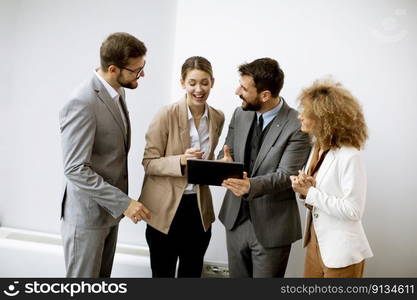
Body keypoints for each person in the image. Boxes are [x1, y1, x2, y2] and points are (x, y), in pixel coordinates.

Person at [59, 32, 151, 278]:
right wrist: (124, 203)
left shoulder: (117, 91)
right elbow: (75, 169)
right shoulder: (82, 101)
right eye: (136, 70)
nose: (141, 75)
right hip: (87, 218)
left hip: (109, 214)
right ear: (113, 69)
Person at [219, 58, 311, 277]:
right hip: (235, 220)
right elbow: (226, 152)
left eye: (244, 88)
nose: (236, 91)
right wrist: (222, 163)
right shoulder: (240, 113)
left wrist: (249, 185)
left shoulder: (298, 125)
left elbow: (286, 176)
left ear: (265, 95)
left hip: (272, 227)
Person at [139, 56, 225, 277]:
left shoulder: (217, 117)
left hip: (198, 210)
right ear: (182, 83)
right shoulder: (165, 114)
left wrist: (221, 167)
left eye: (204, 82)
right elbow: (149, 163)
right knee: (163, 275)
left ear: (212, 82)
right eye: (192, 83)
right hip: (165, 211)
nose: (199, 89)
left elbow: (206, 164)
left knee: (192, 274)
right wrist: (180, 160)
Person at [290, 78, 373, 278]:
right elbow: (320, 196)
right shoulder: (318, 147)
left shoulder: (350, 155)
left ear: (323, 117)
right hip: (315, 244)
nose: (299, 116)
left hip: (341, 251)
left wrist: (310, 193)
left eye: (305, 112)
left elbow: (353, 210)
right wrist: (306, 190)